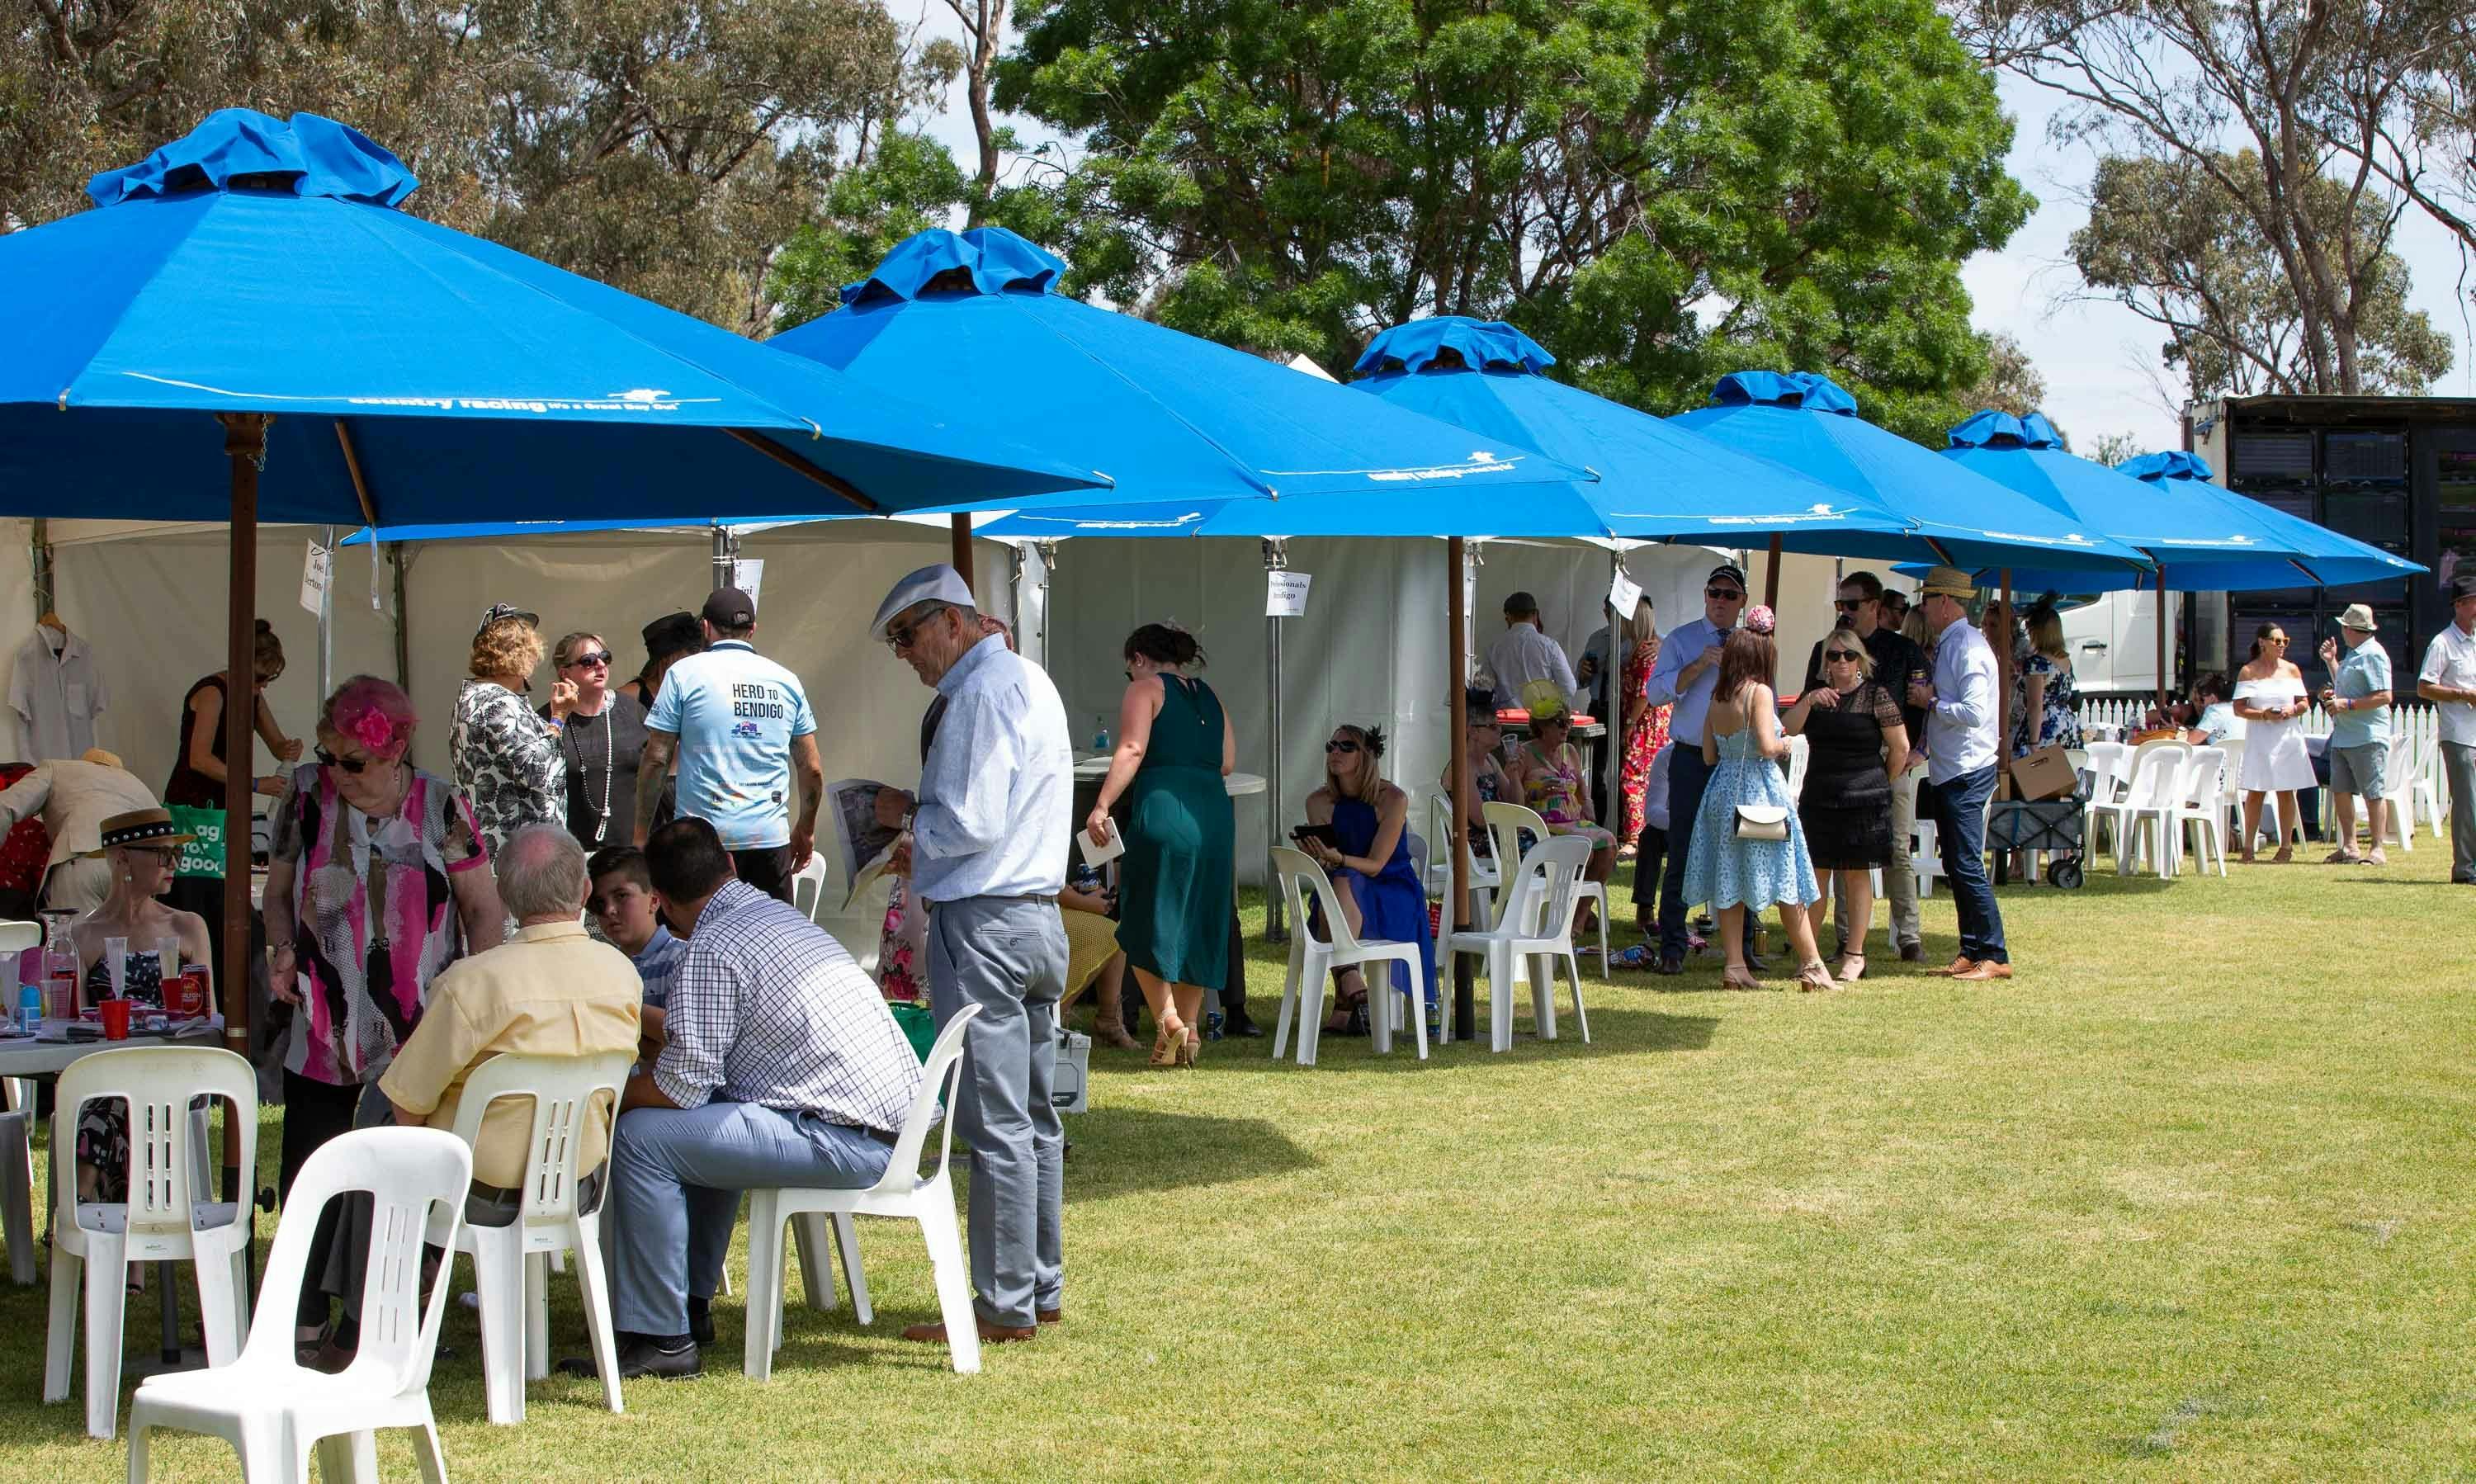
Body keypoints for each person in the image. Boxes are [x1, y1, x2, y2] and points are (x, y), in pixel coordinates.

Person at [585, 819, 921, 1379]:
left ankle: (661, 1337)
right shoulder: (774, 914)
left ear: (661, 902)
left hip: (849, 1138)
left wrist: (605, 1097)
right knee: (709, 1114)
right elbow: (704, 1071)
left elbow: (677, 1087)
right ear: (731, 866)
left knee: (641, 1138)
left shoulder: (712, 948)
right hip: (886, 1126)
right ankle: (688, 1307)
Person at [324, 825, 642, 1372]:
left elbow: (406, 1107)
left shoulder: (472, 982)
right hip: (581, 1181)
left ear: (507, 896)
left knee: (378, 1114)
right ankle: (366, 1312)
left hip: (482, 1190)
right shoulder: (621, 973)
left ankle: (361, 1321)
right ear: (585, 892)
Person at [266, 675, 503, 1360]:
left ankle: (374, 1316)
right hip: (320, 1018)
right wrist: (282, 949)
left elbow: (483, 909)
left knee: (392, 1174)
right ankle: (303, 1312)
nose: (336, 772)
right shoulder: (307, 795)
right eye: (328, 755)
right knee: (311, 1166)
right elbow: (278, 893)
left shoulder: (440, 806)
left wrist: (476, 996)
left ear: (395, 751)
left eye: (353, 761)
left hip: (418, 1027)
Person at [873, 563, 1070, 1349]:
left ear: (954, 624)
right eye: (897, 640)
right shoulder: (1029, 681)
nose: (905, 654)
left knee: (996, 1122)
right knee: (1033, 1116)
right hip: (1033, 918)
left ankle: (1003, 1303)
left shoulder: (979, 695)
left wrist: (905, 820)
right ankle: (1038, 1287)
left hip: (986, 919)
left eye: (909, 634)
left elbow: (972, 821)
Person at [1084, 622, 1236, 1066]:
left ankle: (1168, 1017)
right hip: (1213, 814)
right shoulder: (1212, 697)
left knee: (1144, 914)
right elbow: (1227, 762)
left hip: (1165, 808)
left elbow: (1131, 748)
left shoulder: (1145, 690)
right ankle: (1187, 1038)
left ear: (1137, 658)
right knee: (1197, 921)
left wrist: (1102, 804)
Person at [636, 588, 822, 905]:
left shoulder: (683, 674)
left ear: (706, 628)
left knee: (699, 941)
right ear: (752, 630)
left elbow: (656, 758)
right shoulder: (786, 680)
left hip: (702, 842)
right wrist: (805, 830)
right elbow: (811, 768)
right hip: (768, 838)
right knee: (769, 943)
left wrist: (641, 833)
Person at [66, 809, 213, 1203]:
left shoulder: (186, 927)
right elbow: (75, 1028)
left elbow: (206, 1018)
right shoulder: (83, 936)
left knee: (117, 1100)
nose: (173, 864)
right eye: (162, 854)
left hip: (178, 1073)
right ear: (123, 858)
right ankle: (131, 1256)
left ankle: (79, 1204)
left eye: (176, 854)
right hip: (108, 1072)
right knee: (118, 1097)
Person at [1681, 612, 1831, 992]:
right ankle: (1812, 964)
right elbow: (1767, 746)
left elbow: (1709, 755)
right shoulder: (1759, 693)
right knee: (1786, 877)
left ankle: (1735, 965)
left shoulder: (1718, 696)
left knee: (1729, 880)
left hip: (1721, 791)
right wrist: (1790, 744)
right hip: (1758, 792)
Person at [1799, 571, 1928, 962]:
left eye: (1851, 604)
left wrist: (1909, 756)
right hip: (1833, 775)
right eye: (1840, 604)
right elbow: (1809, 700)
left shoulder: (1903, 650)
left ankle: (1908, 936)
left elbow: (1917, 707)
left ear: (1874, 605)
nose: (1844, 611)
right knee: (1840, 860)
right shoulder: (1825, 647)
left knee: (1898, 851)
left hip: (1888, 764)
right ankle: (1843, 939)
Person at [163, 617, 300, 979]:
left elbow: (275, 742)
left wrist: (288, 749)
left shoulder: (251, 695)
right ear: (239, 665)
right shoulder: (212, 692)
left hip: (225, 808)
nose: (261, 687)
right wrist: (255, 784)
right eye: (258, 678)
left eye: (269, 680)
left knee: (223, 893)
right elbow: (199, 758)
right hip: (193, 807)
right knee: (197, 893)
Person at [1783, 627, 1911, 981]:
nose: (1841, 661)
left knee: (1857, 876)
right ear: (1824, 661)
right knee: (1817, 876)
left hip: (1864, 796)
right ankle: (1810, 959)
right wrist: (1809, 701)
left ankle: (1854, 955)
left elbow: (1900, 747)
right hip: (1820, 795)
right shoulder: (1815, 696)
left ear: (1860, 660)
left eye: (1848, 655)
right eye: (1833, 655)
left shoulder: (1876, 696)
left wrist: (1881, 781)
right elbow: (1787, 730)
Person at [1644, 563, 1751, 975]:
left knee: (1739, 849)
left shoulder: (1749, 643)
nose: (1720, 601)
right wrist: (1699, 665)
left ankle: (1742, 947)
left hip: (1736, 758)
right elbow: (1654, 693)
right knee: (1683, 849)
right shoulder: (1682, 639)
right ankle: (1673, 945)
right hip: (1690, 757)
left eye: (1729, 595)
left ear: (1742, 601)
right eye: (1714, 593)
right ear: (1705, 595)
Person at [1299, 723, 1438, 1033]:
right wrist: (1318, 854)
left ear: (1367, 756)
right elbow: (1330, 863)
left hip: (1392, 888)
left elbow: (1376, 865)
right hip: (1342, 887)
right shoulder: (1318, 802)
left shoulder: (1393, 798)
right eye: (1331, 746)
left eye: (1346, 747)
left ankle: (1346, 993)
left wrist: (1338, 859)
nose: (1335, 752)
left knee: (1340, 885)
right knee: (1337, 886)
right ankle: (1349, 988)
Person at [1907, 567, 2011, 981]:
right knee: (1955, 862)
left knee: (1966, 864)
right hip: (1954, 768)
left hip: (1967, 769)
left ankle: (1994, 952)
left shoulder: (1966, 647)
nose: (1923, 608)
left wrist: (1931, 702)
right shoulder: (1957, 643)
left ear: (1944, 603)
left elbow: (1972, 712)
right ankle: (1972, 948)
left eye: (1927, 601)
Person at [451, 603, 570, 858]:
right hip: (519, 857)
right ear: (520, 654)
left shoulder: (477, 697)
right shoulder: (496, 702)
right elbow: (535, 771)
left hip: (506, 850)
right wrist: (558, 719)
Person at [1506, 684, 1615, 936]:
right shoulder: (1524, 755)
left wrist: (1587, 803)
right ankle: (1567, 916)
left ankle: (1579, 917)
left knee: (1608, 843)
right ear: (1542, 726)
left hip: (1573, 820)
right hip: (1541, 825)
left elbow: (1581, 789)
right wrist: (1538, 793)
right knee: (1585, 848)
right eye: (1559, 722)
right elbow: (1514, 803)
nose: (1566, 726)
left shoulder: (1570, 751)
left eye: (1567, 721)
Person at [0, 747, 156, 912]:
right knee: (129, 938)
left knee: (77, 937)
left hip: (82, 860)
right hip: (135, 870)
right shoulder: (139, 785)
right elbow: (166, 839)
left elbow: (5, 806)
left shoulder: (57, 768)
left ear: (84, 763)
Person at [546, 631, 650, 850]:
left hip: (631, 850)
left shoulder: (631, 711)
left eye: (605, 657)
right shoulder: (551, 720)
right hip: (573, 852)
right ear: (565, 673)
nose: (600, 665)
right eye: (588, 661)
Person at [589, 844, 688, 1062]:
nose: (609, 910)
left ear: (654, 900)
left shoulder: (682, 958)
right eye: (598, 903)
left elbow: (683, 1036)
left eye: (622, 896)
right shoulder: (601, 965)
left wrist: (614, 1005)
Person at [2318, 607, 2394, 866]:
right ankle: (2350, 847)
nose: (2341, 632)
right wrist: (2331, 662)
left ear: (2350, 630)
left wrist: (2346, 705)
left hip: (2368, 735)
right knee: (2340, 790)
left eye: (2343, 627)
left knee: (2373, 793)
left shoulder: (2374, 654)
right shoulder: (2353, 654)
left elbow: (2385, 696)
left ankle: (2377, 849)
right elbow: (2346, 686)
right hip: (2344, 735)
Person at [2233, 622, 2312, 864]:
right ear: (2262, 643)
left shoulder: (2292, 670)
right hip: (2260, 738)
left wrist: (2292, 709)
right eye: (2277, 641)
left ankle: (2286, 847)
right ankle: (2248, 847)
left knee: (2286, 791)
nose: (2282, 646)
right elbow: (2239, 708)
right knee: (2256, 792)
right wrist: (2264, 714)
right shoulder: (2248, 671)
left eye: (2284, 641)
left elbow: (2304, 703)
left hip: (2287, 737)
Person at [2417, 572, 2476, 885]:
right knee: (2467, 802)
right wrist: (2464, 695)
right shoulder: (2443, 642)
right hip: (2459, 733)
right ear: (2461, 605)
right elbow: (2424, 687)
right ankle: (2465, 869)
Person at [1615, 598, 1668, 853]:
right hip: (1652, 723)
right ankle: (1644, 832)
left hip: (1646, 724)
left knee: (1632, 776)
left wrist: (1629, 723)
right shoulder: (1648, 648)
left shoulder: (1646, 653)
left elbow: (1645, 693)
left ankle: (1635, 837)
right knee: (1647, 777)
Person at [1486, 591, 1582, 713]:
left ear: (1508, 616)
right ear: (1535, 614)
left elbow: (1485, 688)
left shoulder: (1494, 648)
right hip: (1541, 720)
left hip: (1507, 720)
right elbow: (1569, 688)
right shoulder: (1549, 646)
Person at [2014, 599, 2084, 756]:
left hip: (2045, 726)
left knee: (2035, 776)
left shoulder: (2037, 663)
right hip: (2068, 723)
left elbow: (2035, 704)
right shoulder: (2065, 660)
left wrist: (2033, 742)